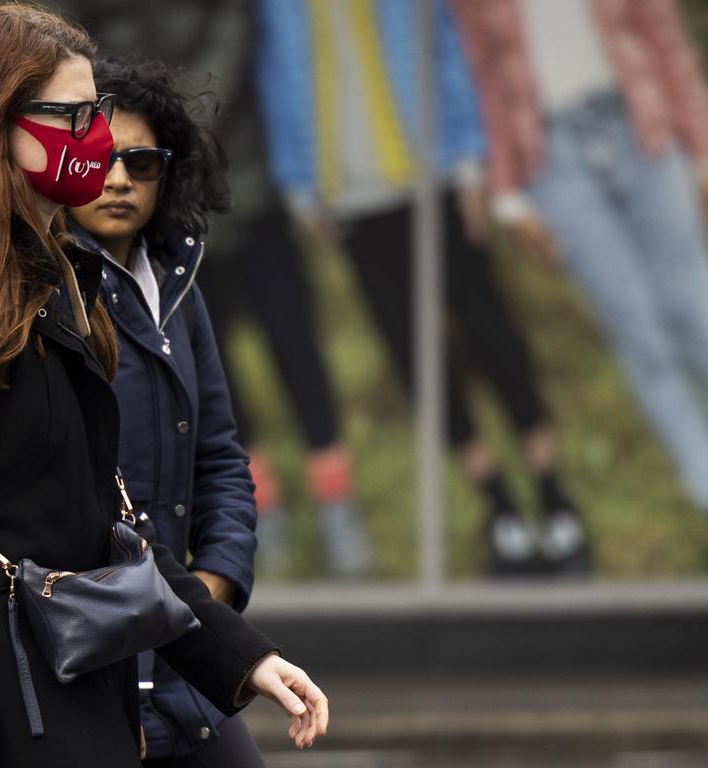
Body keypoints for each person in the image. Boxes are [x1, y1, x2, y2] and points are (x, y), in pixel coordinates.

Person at [0, 6, 328, 768]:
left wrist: (241, 657)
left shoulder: (61, 280)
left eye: (99, 115)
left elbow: (104, 520)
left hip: (62, 681)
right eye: (73, 115)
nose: (97, 138)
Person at [255, 0, 589, 576]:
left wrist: (469, 157)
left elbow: (446, 49)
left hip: (434, 176)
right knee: (417, 355)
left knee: (493, 335)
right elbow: (276, 77)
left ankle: (553, 491)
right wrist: (300, 183)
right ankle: (499, 506)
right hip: (356, 201)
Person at [56, 0, 372, 582]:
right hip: (150, 178)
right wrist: (134, 117)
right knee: (212, 368)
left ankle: (338, 507)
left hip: (243, 178)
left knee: (297, 350)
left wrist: (172, 115)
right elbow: (67, 49)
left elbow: (237, 32)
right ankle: (263, 517)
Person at [67, 56, 265, 766]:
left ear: (169, 173)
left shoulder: (179, 286)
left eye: (141, 162)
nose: (118, 179)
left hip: (185, 655)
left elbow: (220, 456)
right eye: (98, 161)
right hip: (82, 650)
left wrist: (212, 585)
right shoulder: (43, 287)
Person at [454, 0, 708, 513]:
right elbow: (481, 69)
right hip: (552, 156)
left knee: (697, 312)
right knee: (641, 338)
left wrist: (701, 138)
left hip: (638, 122)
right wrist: (505, 191)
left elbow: (661, 31)